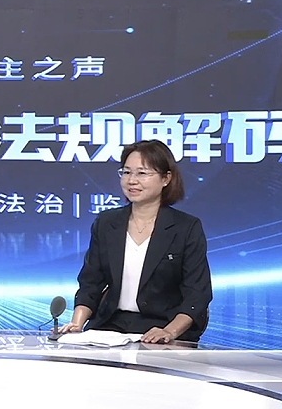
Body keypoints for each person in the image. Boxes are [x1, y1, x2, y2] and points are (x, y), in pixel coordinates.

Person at [60, 140, 212, 343]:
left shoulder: (186, 227)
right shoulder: (107, 223)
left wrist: (169, 332)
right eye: (126, 172)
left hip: (162, 326)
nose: (132, 180)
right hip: (110, 326)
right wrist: (77, 323)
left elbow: (197, 293)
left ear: (166, 178)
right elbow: (91, 283)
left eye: (142, 173)